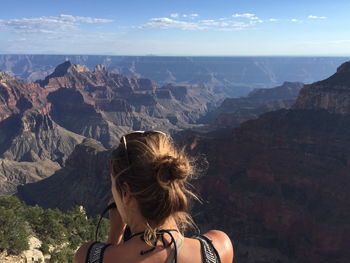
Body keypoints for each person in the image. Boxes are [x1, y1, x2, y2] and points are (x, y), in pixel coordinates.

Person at [74, 131, 234, 263]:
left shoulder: (87, 255)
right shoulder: (219, 248)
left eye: (113, 185)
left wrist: (115, 235)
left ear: (126, 193)